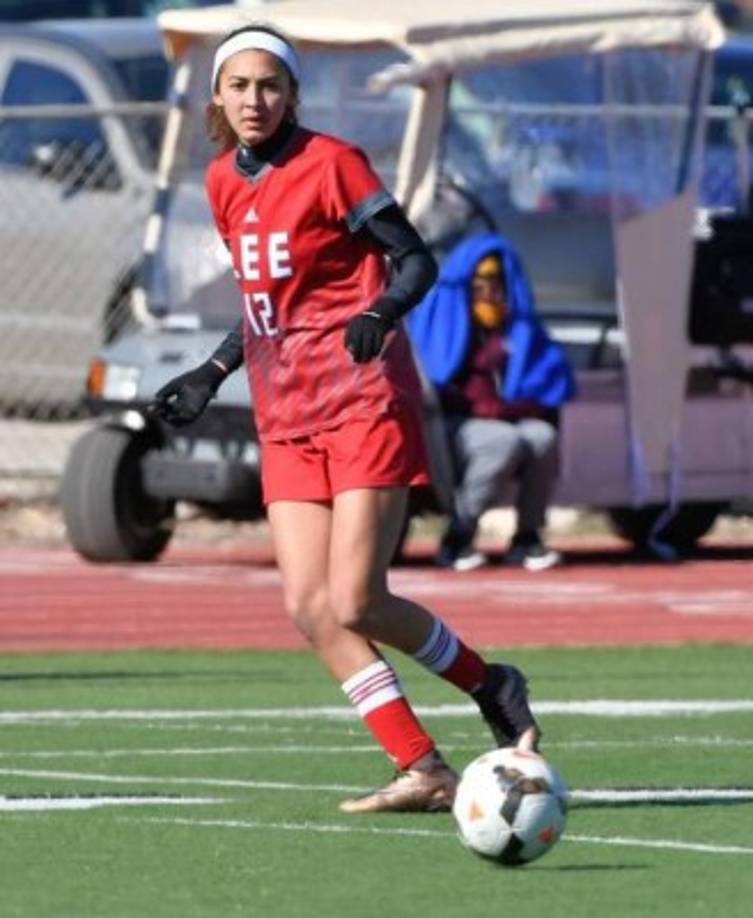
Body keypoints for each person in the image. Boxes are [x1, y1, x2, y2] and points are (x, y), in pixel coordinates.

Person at [150, 25, 540, 813]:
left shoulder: (333, 163)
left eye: (269, 85)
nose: (254, 99)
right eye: (239, 86)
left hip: (362, 399)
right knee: (308, 607)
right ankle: (422, 767)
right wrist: (210, 372)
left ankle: (489, 683)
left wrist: (382, 310)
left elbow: (417, 258)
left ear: (291, 93)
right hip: (284, 408)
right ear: (217, 98)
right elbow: (268, 310)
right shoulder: (225, 179)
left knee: (356, 598)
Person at [407, 234, 575, 572]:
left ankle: (527, 535)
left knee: (542, 436)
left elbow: (543, 385)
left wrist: (507, 398)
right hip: (451, 426)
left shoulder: (516, 331)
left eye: (498, 283)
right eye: (481, 283)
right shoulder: (445, 323)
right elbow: (438, 384)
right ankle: (459, 533)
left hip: (503, 417)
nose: (490, 293)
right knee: (502, 440)